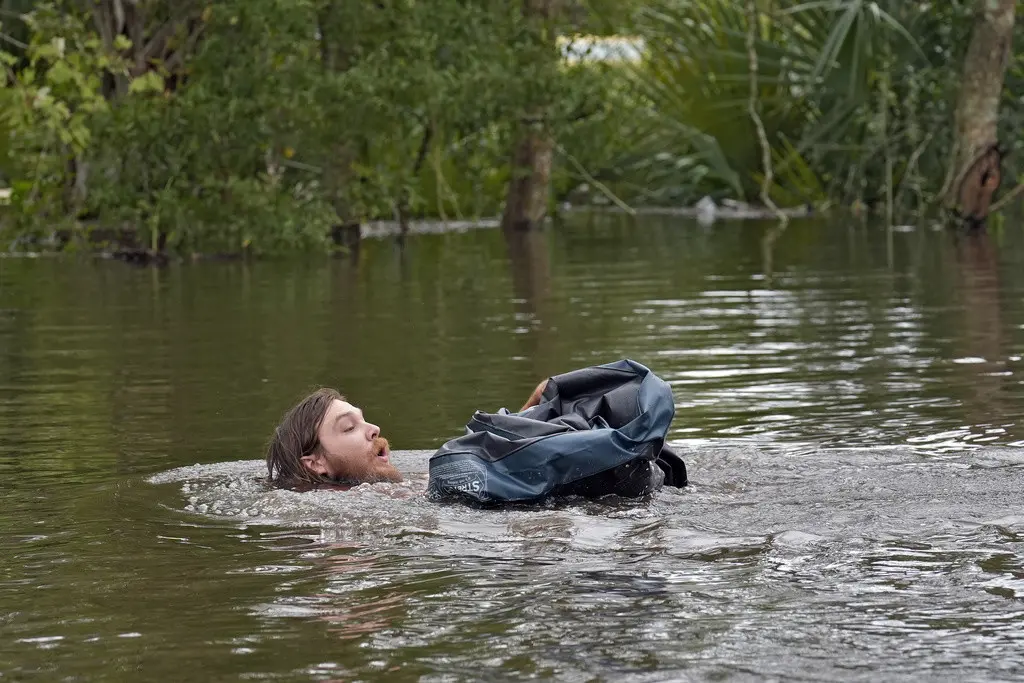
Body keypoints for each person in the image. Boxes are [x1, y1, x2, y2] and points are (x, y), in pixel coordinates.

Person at [265, 382, 549, 491]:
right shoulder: (333, 508)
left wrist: (527, 412)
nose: (374, 428)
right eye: (349, 427)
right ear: (315, 464)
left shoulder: (400, 487)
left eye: (364, 419)